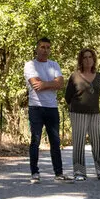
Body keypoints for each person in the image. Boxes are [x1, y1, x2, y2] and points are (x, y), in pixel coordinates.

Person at [24, 37, 69, 182]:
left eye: (48, 47)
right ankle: (34, 173)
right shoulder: (30, 65)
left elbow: (60, 84)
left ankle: (58, 173)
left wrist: (44, 84)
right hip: (36, 107)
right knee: (35, 140)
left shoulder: (54, 65)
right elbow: (35, 84)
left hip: (52, 107)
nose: (45, 50)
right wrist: (51, 83)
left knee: (55, 141)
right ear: (37, 48)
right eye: (42, 47)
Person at [64, 47, 100, 182]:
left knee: (99, 142)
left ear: (94, 59)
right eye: (84, 57)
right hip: (78, 113)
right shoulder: (75, 76)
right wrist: (74, 108)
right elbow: (67, 96)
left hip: (95, 112)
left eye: (90, 57)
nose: (87, 60)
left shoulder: (99, 76)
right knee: (79, 142)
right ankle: (79, 172)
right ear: (81, 60)